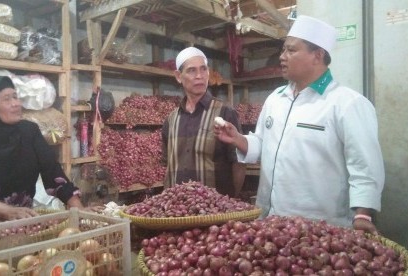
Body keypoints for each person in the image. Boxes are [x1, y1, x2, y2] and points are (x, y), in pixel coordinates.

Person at [214, 15, 384, 234]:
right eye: (283, 50)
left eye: (291, 50)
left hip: (323, 228)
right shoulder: (276, 98)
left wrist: (362, 214)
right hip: (272, 222)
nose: (282, 57)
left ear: (318, 55)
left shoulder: (347, 104)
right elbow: (262, 143)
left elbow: (365, 167)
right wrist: (239, 139)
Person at [0, 76, 96, 220]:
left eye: (16, 97)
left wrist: (79, 210)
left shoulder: (28, 132)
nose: (16, 103)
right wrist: (7, 212)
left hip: (23, 221)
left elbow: (53, 172)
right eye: (7, 99)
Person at [162, 46, 246, 197]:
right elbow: (168, 165)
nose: (199, 76)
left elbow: (238, 163)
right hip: (177, 210)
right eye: (191, 70)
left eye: (203, 69)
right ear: (178, 76)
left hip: (215, 210)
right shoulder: (171, 120)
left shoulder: (225, 112)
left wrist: (233, 200)